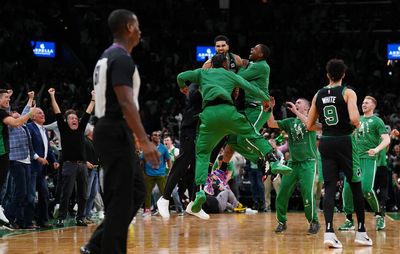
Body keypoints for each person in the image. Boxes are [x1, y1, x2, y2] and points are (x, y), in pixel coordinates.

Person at [80, 9, 160, 254]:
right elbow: (125, 102)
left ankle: (95, 245)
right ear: (128, 27)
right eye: (137, 25)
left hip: (114, 130)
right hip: (113, 129)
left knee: (136, 190)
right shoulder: (122, 58)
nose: (139, 31)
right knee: (122, 198)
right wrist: (145, 141)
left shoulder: (107, 56)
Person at [177, 53, 292, 218]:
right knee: (252, 133)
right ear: (225, 64)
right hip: (228, 112)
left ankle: (200, 191)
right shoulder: (230, 74)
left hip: (209, 115)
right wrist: (266, 99)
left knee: (202, 154)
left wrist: (183, 87)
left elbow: (181, 76)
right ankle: (272, 161)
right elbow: (251, 88)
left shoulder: (202, 73)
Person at [306, 58, 372, 248]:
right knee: (356, 185)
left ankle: (328, 232)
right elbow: (353, 118)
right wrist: (357, 124)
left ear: (327, 75)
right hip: (345, 141)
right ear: (343, 75)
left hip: (325, 142)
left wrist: (326, 127)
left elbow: (310, 125)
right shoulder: (347, 92)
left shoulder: (318, 94)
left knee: (329, 186)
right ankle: (361, 232)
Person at [267, 97, 320, 234]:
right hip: (293, 163)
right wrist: (270, 108)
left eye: (299, 103)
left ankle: (313, 221)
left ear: (307, 108)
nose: (295, 104)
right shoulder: (290, 122)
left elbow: (309, 124)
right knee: (282, 193)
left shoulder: (312, 120)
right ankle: (281, 222)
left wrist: (296, 112)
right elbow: (271, 123)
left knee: (307, 193)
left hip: (308, 162)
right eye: (295, 103)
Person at [338, 96, 390, 231]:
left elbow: (387, 139)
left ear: (373, 105)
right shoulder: (356, 120)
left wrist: (377, 149)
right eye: (362, 103)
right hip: (353, 159)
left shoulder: (377, 121)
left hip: (368, 158)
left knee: (366, 189)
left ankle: (379, 215)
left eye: (366, 102)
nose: (363, 104)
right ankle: (349, 220)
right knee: (347, 189)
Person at [48, 87, 94, 228]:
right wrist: (52, 96)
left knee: (83, 194)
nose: (74, 119)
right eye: (71, 118)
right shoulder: (63, 128)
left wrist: (93, 99)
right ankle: (61, 218)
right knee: (66, 193)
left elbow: (87, 113)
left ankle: (81, 217)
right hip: (69, 165)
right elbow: (57, 112)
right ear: (66, 121)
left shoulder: (81, 128)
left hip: (82, 165)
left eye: (75, 118)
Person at [0, 89, 37, 225]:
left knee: (22, 192)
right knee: (16, 192)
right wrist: (29, 113)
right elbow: (13, 116)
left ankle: (14, 218)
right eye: (13, 112)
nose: (16, 113)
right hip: (14, 159)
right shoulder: (11, 125)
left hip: (24, 160)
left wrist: (30, 99)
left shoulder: (22, 126)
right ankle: (8, 217)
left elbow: (24, 113)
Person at [27, 106, 59, 229]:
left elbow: (48, 149)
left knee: (44, 194)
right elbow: (29, 147)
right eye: (39, 113)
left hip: (42, 169)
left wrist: (54, 161)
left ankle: (43, 220)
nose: (43, 114)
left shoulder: (44, 130)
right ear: (33, 116)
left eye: (43, 112)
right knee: (30, 196)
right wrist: (37, 158)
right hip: (32, 166)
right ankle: (28, 221)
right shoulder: (29, 127)